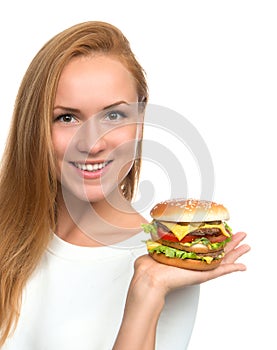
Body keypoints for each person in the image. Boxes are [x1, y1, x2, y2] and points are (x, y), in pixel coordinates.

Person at [0, 21, 250, 349]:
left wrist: (145, 294)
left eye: (113, 116)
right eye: (67, 118)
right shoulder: (6, 235)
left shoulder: (164, 269)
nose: (92, 143)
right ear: (36, 128)